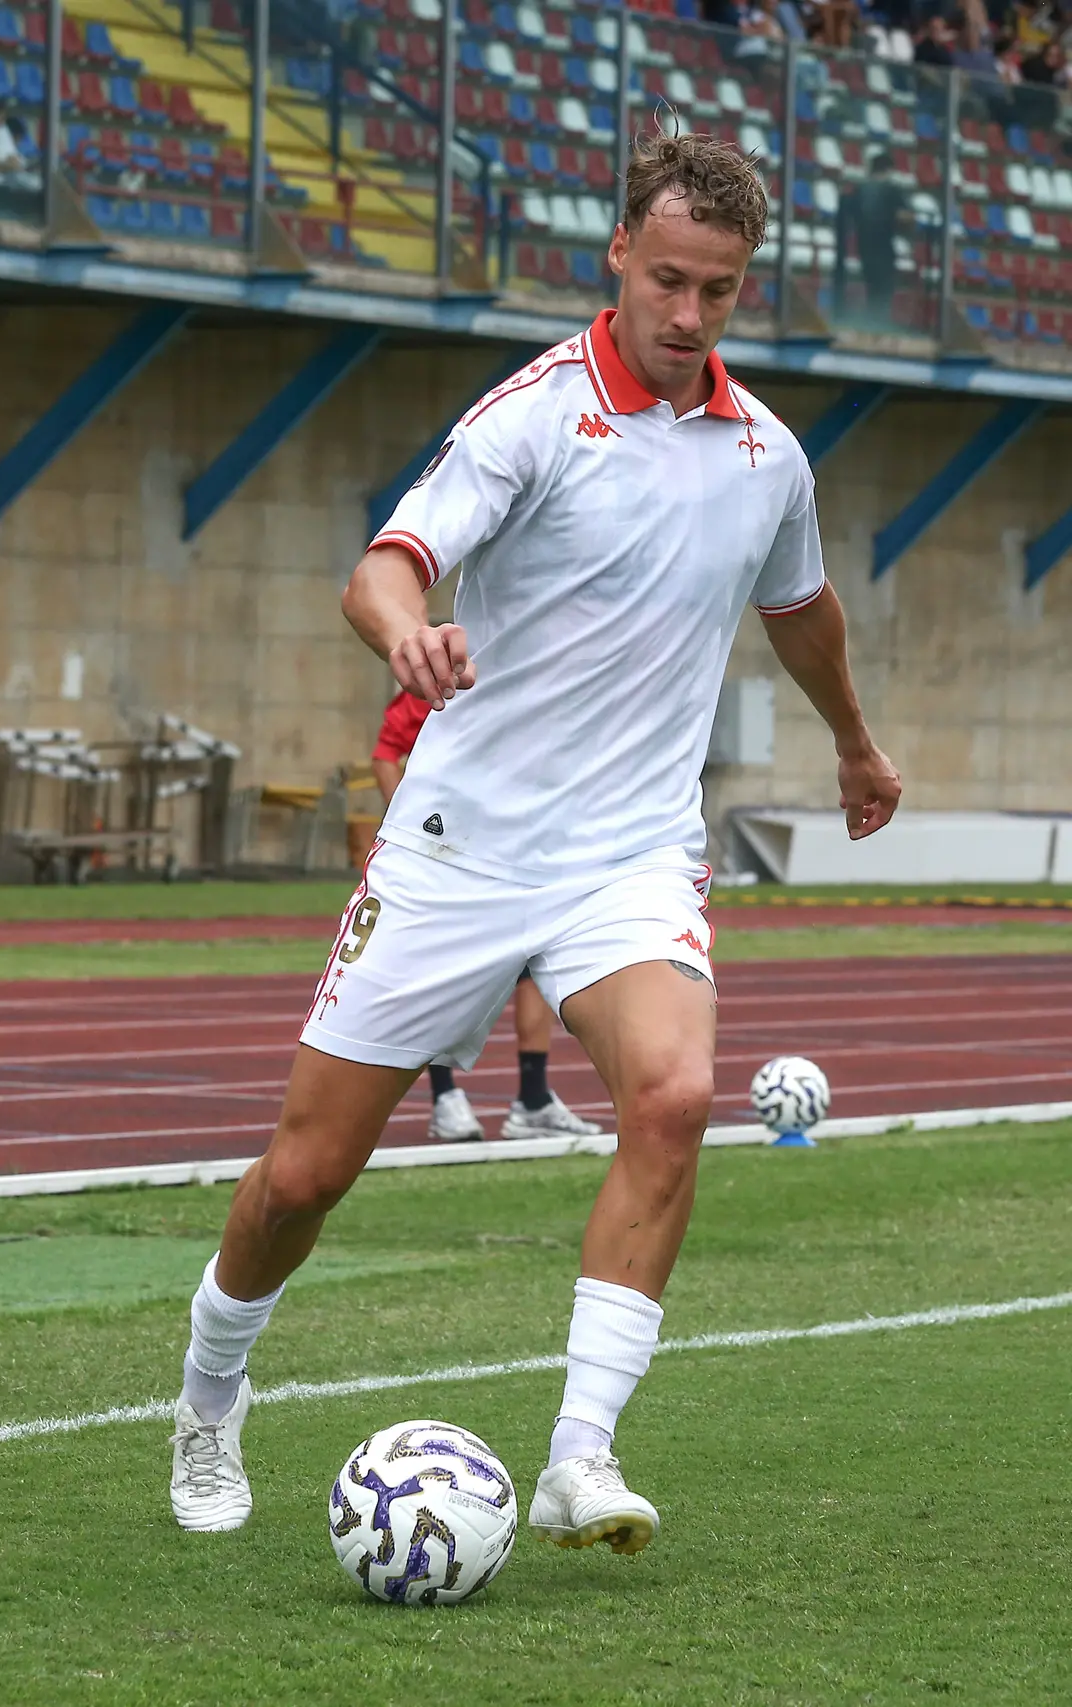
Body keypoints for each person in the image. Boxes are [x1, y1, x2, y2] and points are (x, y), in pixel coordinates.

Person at [168, 130, 901, 1548]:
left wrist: (855, 740)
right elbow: (386, 565)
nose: (690, 318)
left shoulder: (767, 458)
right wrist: (409, 636)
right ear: (619, 252)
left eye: (722, 293)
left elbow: (800, 606)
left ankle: (580, 1453)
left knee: (677, 1095)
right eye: (671, 280)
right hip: (459, 847)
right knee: (304, 1174)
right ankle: (209, 1394)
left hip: (626, 855)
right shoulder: (531, 416)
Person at [371, 685, 604, 1143]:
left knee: (534, 967)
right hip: (451, 859)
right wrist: (412, 825)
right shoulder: (436, 682)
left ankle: (533, 1099)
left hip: (518, 851)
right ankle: (445, 1098)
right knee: (444, 975)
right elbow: (385, 755)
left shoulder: (529, 685)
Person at [834, 151, 910, 329]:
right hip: (884, 247)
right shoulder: (890, 189)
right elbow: (905, 217)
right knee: (883, 289)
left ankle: (872, 321)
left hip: (864, 246)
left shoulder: (861, 189)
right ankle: (878, 322)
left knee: (871, 285)